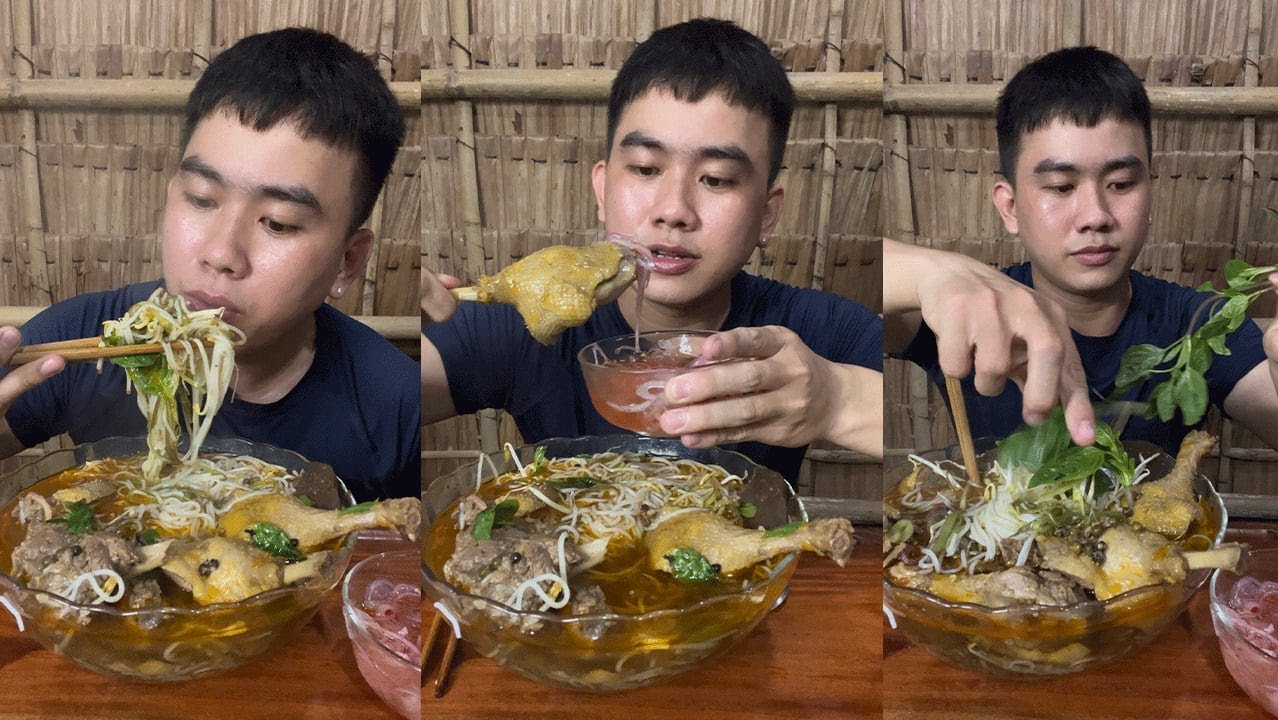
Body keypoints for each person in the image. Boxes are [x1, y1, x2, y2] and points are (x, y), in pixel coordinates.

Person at [422, 18, 884, 482]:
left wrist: (836, 399)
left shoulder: (815, 329)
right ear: (602, 191)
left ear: (766, 213)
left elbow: (945, 398)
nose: (673, 210)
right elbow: (387, 405)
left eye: (717, 178)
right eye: (645, 169)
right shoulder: (529, 320)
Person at [0, 27, 419, 502]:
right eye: (201, 199)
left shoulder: (395, 403)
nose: (220, 254)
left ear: (347, 262)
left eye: (278, 223)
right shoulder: (82, 343)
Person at [884, 45, 1278, 454]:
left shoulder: (1198, 324)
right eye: (1061, 187)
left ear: (1150, 191)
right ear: (1011, 207)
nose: (1095, 215)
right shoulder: (968, 309)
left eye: (1122, 183)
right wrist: (932, 274)